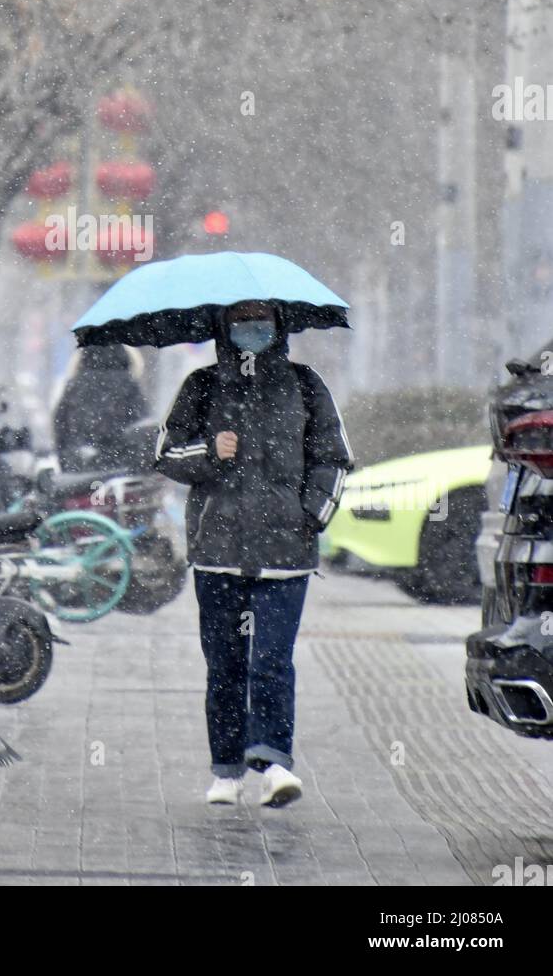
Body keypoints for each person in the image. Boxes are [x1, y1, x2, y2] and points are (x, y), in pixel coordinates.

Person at [154, 300, 353, 806]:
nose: (252, 330)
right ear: (224, 327)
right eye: (241, 321)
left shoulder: (305, 385)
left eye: (261, 320)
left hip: (285, 556)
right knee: (224, 665)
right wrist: (206, 452)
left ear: (279, 326)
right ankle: (226, 770)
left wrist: (311, 516)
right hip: (217, 553)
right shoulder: (202, 386)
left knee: (271, 659)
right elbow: (165, 454)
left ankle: (273, 763)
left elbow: (334, 456)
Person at [53, 343, 147, 470]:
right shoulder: (129, 385)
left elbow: (60, 425)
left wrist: (67, 460)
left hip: (79, 468)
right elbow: (141, 425)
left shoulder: (74, 385)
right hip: (117, 468)